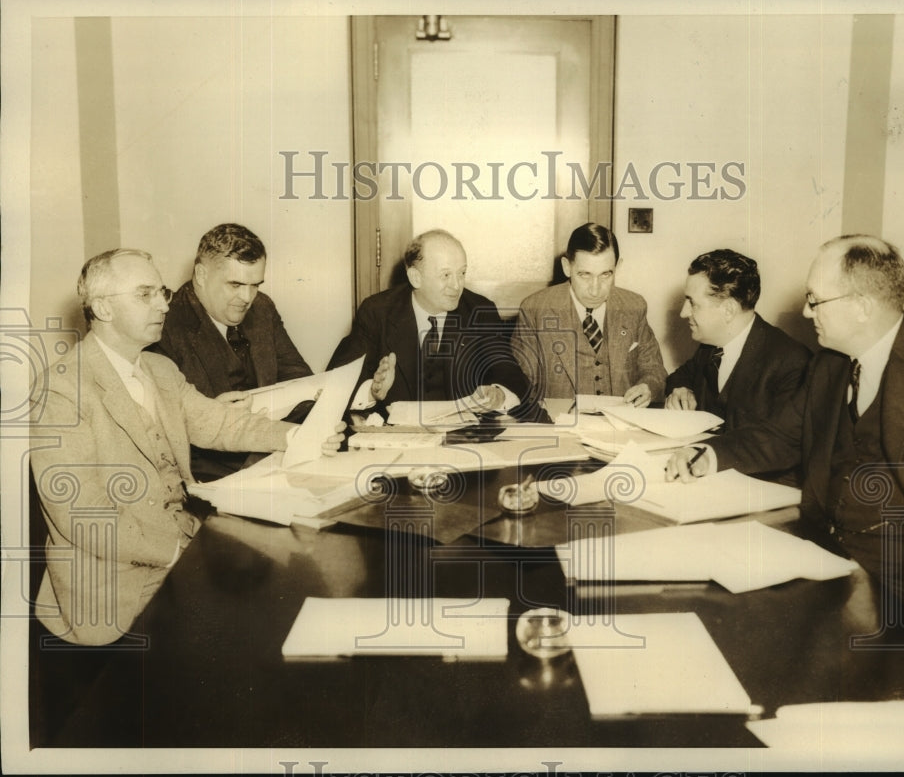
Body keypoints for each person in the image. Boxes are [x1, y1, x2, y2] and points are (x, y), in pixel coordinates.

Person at [30, 249, 345, 646]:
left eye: (160, 292)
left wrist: (295, 436)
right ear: (104, 309)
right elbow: (81, 513)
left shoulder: (160, 369)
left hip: (180, 548)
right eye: (145, 295)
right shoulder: (60, 389)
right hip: (112, 588)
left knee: (286, 591)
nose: (164, 303)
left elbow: (217, 422)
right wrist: (180, 550)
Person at [664, 235, 904, 612]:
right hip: (828, 564)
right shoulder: (829, 365)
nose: (808, 313)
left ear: (861, 306)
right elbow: (779, 435)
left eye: (815, 300)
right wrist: (706, 454)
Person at [151, 223, 313, 481]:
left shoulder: (262, 308)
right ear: (201, 275)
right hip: (211, 471)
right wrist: (208, 414)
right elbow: (160, 431)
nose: (247, 297)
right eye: (235, 284)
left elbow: (299, 378)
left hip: (273, 454)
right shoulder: (165, 324)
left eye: (255, 285)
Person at [327, 229, 533, 418]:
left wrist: (499, 393)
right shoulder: (378, 312)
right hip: (394, 441)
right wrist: (372, 390)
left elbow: (509, 372)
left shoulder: (479, 311)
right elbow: (335, 383)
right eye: (445, 275)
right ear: (416, 277)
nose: (457, 285)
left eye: (462, 273)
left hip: (462, 442)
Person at [665, 249, 810, 477]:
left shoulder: (792, 362)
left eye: (692, 303)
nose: (684, 313)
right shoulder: (709, 347)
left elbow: (777, 445)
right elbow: (680, 376)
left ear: (729, 310)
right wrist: (682, 389)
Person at [511, 222, 666, 407]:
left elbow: (654, 369)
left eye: (606, 275)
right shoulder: (535, 309)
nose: (595, 289)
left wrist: (647, 386)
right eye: (585, 275)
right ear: (567, 267)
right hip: (561, 426)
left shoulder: (634, 306)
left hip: (621, 427)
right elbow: (520, 381)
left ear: (618, 266)